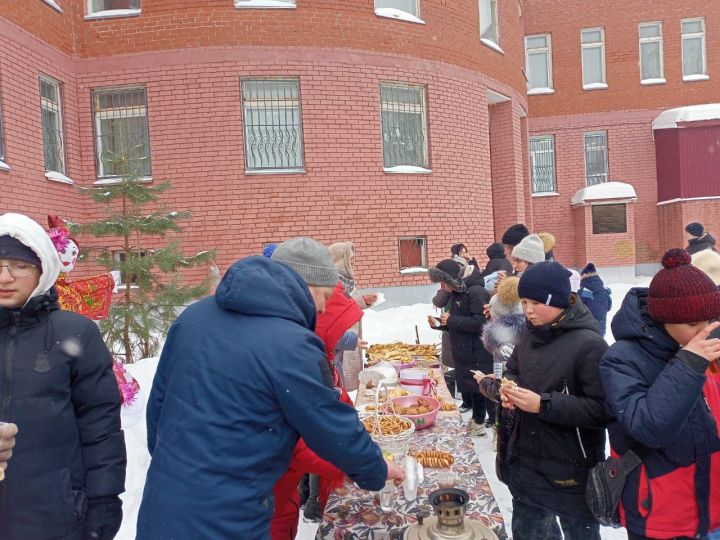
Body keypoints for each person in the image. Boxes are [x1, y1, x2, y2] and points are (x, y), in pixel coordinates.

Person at [137, 237, 401, 539]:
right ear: (308, 286)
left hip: (165, 504)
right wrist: (375, 470)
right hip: (230, 516)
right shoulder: (291, 343)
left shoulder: (193, 317)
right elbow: (330, 426)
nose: (325, 306)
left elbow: (158, 409)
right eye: (326, 295)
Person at [0, 212, 126, 540]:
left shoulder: (76, 333)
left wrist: (104, 496)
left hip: (54, 509)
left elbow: (100, 421)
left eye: (20, 265)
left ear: (42, 269)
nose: (5, 277)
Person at [599, 248, 720, 540]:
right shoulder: (621, 358)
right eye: (694, 324)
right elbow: (649, 427)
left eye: (710, 319)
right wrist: (689, 363)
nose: (705, 330)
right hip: (660, 513)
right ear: (664, 318)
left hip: (712, 504)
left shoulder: (708, 347)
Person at [499, 261, 608, 540]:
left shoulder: (589, 344)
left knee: (579, 533)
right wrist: (509, 387)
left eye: (536, 302)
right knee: (530, 532)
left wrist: (542, 404)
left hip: (571, 469)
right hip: (526, 458)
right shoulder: (529, 334)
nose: (528, 310)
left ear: (559, 300)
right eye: (524, 302)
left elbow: (603, 410)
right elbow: (513, 368)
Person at [273, 282, 364, 536]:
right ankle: (312, 503)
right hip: (257, 509)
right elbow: (303, 442)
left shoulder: (311, 358)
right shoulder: (296, 363)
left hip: (279, 502)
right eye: (322, 297)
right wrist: (363, 466)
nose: (323, 305)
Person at [428, 259, 493, 436]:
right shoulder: (457, 293)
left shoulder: (475, 292)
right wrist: (440, 325)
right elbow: (458, 323)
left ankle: (492, 428)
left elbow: (480, 323)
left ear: (451, 279)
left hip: (478, 351)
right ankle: (477, 422)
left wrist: (451, 320)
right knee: (473, 389)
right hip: (465, 350)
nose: (441, 286)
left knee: (483, 391)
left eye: (442, 282)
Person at [328, 241, 377, 391]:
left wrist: (363, 301)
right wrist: (361, 301)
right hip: (340, 339)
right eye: (350, 260)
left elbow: (346, 303)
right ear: (340, 260)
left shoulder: (347, 281)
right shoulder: (330, 281)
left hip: (350, 336)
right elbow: (336, 308)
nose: (353, 264)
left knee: (346, 381)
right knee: (340, 381)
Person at [577, 263, 612, 337]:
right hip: (601, 328)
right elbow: (609, 306)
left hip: (586, 329)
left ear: (583, 278)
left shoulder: (582, 292)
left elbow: (577, 310)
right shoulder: (604, 291)